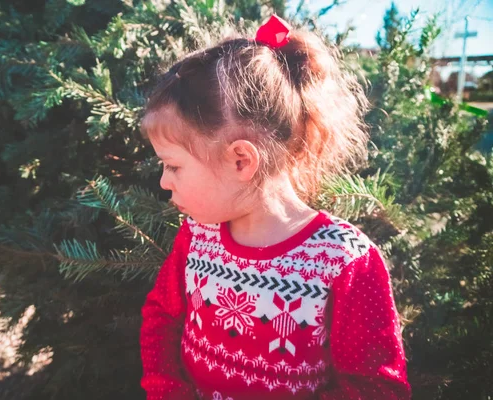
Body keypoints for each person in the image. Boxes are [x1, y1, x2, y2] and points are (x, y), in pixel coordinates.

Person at [139, 15, 410, 400]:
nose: (165, 181)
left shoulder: (343, 261)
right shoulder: (197, 238)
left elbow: (375, 388)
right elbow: (161, 318)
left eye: (174, 166)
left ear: (240, 161)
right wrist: (168, 391)